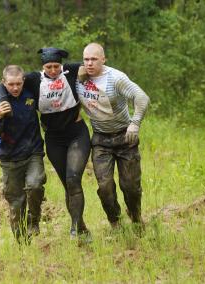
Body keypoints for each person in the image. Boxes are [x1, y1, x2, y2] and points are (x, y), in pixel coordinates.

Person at [0, 48, 91, 240]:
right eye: (49, 67)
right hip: (54, 139)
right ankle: (80, 225)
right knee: (67, 184)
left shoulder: (70, 71)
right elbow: (2, 86)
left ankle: (75, 229)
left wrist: (87, 72)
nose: (54, 70)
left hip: (76, 134)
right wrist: (5, 100)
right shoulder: (33, 79)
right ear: (43, 66)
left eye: (56, 66)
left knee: (74, 179)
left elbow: (92, 68)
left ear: (61, 65)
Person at [76, 43, 150, 229]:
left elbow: (142, 98)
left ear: (103, 59)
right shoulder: (78, 77)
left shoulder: (116, 78)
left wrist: (135, 123)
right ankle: (115, 222)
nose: (90, 63)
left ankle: (135, 216)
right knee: (105, 187)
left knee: (131, 186)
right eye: (86, 59)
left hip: (125, 137)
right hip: (100, 140)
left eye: (94, 59)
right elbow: (51, 75)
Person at [0, 65, 46, 243]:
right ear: (4, 83)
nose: (15, 88)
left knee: (35, 185)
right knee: (16, 203)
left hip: (33, 152)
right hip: (10, 159)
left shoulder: (30, 93)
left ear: (23, 81)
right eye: (11, 84)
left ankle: (34, 220)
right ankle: (22, 244)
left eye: (18, 83)